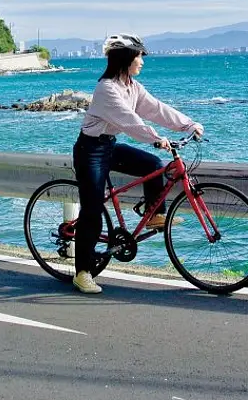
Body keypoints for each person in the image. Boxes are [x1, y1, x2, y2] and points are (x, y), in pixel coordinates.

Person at [71, 33, 204, 294]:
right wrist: (156, 138)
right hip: (90, 151)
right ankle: (83, 273)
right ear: (125, 59)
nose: (142, 61)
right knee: (92, 210)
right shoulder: (107, 88)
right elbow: (130, 121)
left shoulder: (131, 86)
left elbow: (156, 109)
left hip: (109, 146)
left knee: (155, 165)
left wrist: (188, 124)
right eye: (139, 56)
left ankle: (154, 214)